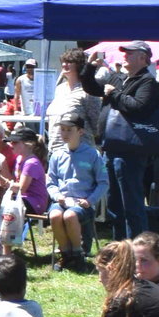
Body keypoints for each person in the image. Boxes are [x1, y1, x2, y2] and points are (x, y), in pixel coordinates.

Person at [96, 42, 159, 239]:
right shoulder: (123, 79)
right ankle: (121, 249)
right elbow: (91, 86)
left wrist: (114, 93)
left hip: (130, 152)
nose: (124, 56)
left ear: (143, 58)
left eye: (129, 53)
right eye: (124, 53)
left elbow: (138, 106)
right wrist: (91, 67)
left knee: (132, 205)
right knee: (115, 205)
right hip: (113, 149)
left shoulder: (147, 82)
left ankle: (137, 251)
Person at [47, 115, 105, 272]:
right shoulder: (57, 155)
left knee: (70, 216)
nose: (65, 134)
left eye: (69, 130)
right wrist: (57, 196)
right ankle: (66, 254)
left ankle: (79, 254)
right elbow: (51, 182)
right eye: (62, 130)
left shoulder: (93, 155)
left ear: (80, 131)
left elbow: (103, 182)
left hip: (82, 202)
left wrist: (90, 200)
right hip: (62, 200)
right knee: (54, 216)